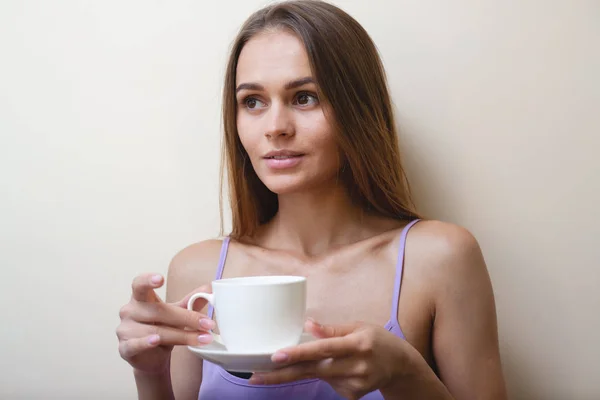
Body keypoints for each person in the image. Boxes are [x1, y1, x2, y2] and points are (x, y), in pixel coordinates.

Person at [116, 1, 507, 399]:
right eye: (252, 101)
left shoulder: (440, 258)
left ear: (357, 108)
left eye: (304, 97)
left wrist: (405, 373)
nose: (275, 128)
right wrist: (149, 373)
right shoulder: (196, 270)